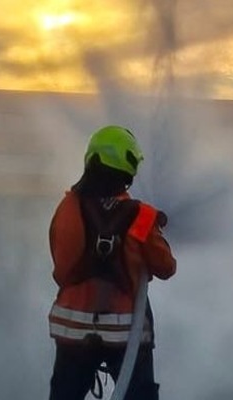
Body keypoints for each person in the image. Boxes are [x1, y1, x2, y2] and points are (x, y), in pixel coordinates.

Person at [48, 125, 177, 400]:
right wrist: (155, 232)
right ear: (128, 169)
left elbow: (61, 270)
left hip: (72, 334)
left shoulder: (67, 208)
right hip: (125, 336)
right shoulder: (142, 217)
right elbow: (166, 267)